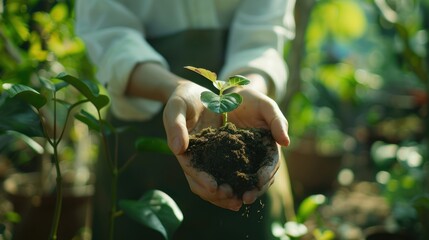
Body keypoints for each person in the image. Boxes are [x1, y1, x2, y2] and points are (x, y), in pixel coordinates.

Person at [75, 0, 296, 239]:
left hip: (245, 122)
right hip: (140, 143)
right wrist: (175, 88)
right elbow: (110, 33)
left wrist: (246, 90)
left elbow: (263, 38)